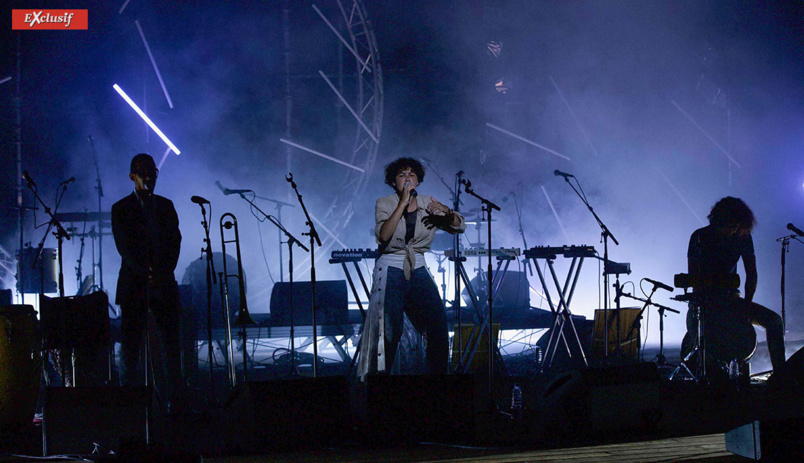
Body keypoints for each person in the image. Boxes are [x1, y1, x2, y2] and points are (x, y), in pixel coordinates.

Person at [357, 157, 466, 377]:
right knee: (389, 331)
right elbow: (384, 235)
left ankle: (438, 382)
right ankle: (378, 384)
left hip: (418, 266)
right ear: (393, 182)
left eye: (411, 174)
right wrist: (402, 204)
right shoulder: (385, 203)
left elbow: (459, 227)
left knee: (437, 324)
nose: (407, 178)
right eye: (402, 175)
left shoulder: (428, 203)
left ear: (418, 181)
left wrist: (447, 212)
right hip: (391, 267)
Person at [112, 153, 184, 410]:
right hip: (136, 284)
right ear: (132, 176)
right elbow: (125, 247)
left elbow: (175, 241)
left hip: (161, 281)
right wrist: (149, 272)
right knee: (131, 347)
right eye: (144, 173)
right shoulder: (120, 208)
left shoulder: (165, 205)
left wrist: (163, 271)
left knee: (171, 345)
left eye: (152, 172)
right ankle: (130, 405)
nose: (149, 177)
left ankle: (175, 402)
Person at [686, 196, 785, 373]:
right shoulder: (699, 237)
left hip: (731, 300)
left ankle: (781, 375)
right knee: (700, 343)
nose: (735, 230)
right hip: (706, 302)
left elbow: (752, 274)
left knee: (774, 321)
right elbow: (693, 278)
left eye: (738, 226)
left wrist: (746, 304)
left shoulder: (742, 236)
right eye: (733, 225)